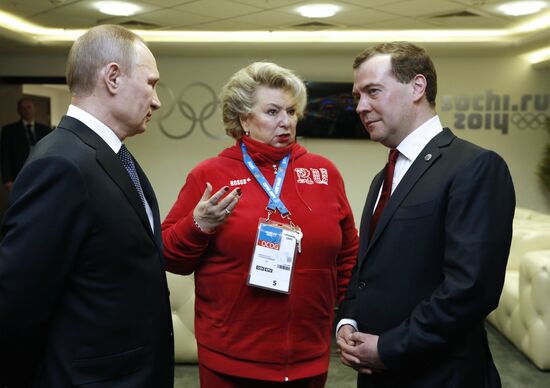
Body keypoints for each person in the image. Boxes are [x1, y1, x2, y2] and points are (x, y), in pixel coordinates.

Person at [162, 62, 359, 387]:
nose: (287, 121)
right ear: (243, 119)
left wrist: (348, 315)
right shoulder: (210, 174)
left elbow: (349, 254)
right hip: (231, 360)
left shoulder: (324, 173)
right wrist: (198, 225)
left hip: (309, 356)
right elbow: (170, 254)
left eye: (292, 111)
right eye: (272, 112)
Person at [0, 25, 174, 387]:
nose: (156, 101)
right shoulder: (61, 163)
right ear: (113, 77)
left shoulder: (107, 154)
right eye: (151, 83)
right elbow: (18, 304)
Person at [336, 41, 515, 388]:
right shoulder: (383, 177)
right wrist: (349, 321)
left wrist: (389, 347)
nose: (360, 106)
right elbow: (366, 268)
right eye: (357, 95)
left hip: (441, 377)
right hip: (376, 375)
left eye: (373, 91)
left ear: (418, 87)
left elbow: (471, 289)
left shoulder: (475, 167)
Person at [1, 97, 52, 191]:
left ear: (34, 108)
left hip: (41, 173)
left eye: (29, 107)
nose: (27, 110)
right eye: (23, 108)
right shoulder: (9, 130)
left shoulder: (45, 129)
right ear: (18, 111)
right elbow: (5, 155)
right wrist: (7, 180)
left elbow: (50, 152)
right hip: (18, 174)